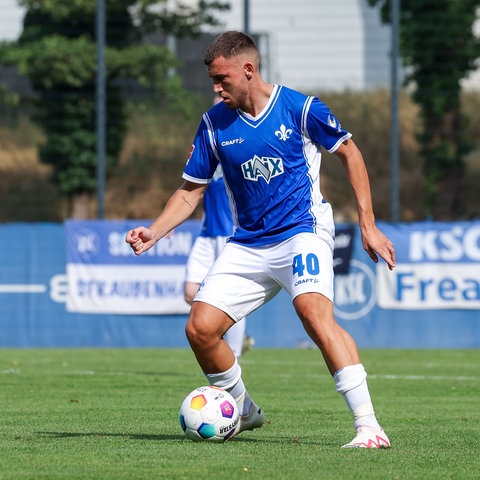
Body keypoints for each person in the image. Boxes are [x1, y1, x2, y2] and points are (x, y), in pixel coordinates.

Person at [126, 31, 396, 448]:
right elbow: (189, 190)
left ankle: (369, 427)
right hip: (248, 244)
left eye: (222, 79)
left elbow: (350, 153)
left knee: (313, 313)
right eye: (213, 81)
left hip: (302, 234)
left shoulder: (300, 108)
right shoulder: (214, 124)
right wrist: (155, 231)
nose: (216, 88)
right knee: (199, 329)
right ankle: (242, 409)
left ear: (248, 70)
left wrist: (368, 223)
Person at [184, 163, 252, 358]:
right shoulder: (208, 145)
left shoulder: (237, 146)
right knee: (190, 292)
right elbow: (191, 187)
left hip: (229, 231)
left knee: (231, 297)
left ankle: (234, 354)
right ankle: (231, 331)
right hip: (207, 233)